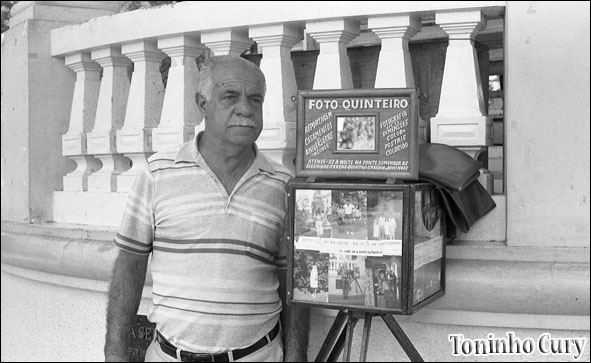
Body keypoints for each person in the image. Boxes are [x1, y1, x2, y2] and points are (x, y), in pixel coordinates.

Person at [104, 55, 309, 362]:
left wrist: (296, 357)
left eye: (256, 99)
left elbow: (294, 283)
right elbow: (130, 264)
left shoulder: (282, 184)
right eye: (230, 96)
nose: (246, 108)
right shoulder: (158, 173)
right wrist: (115, 353)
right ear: (203, 104)